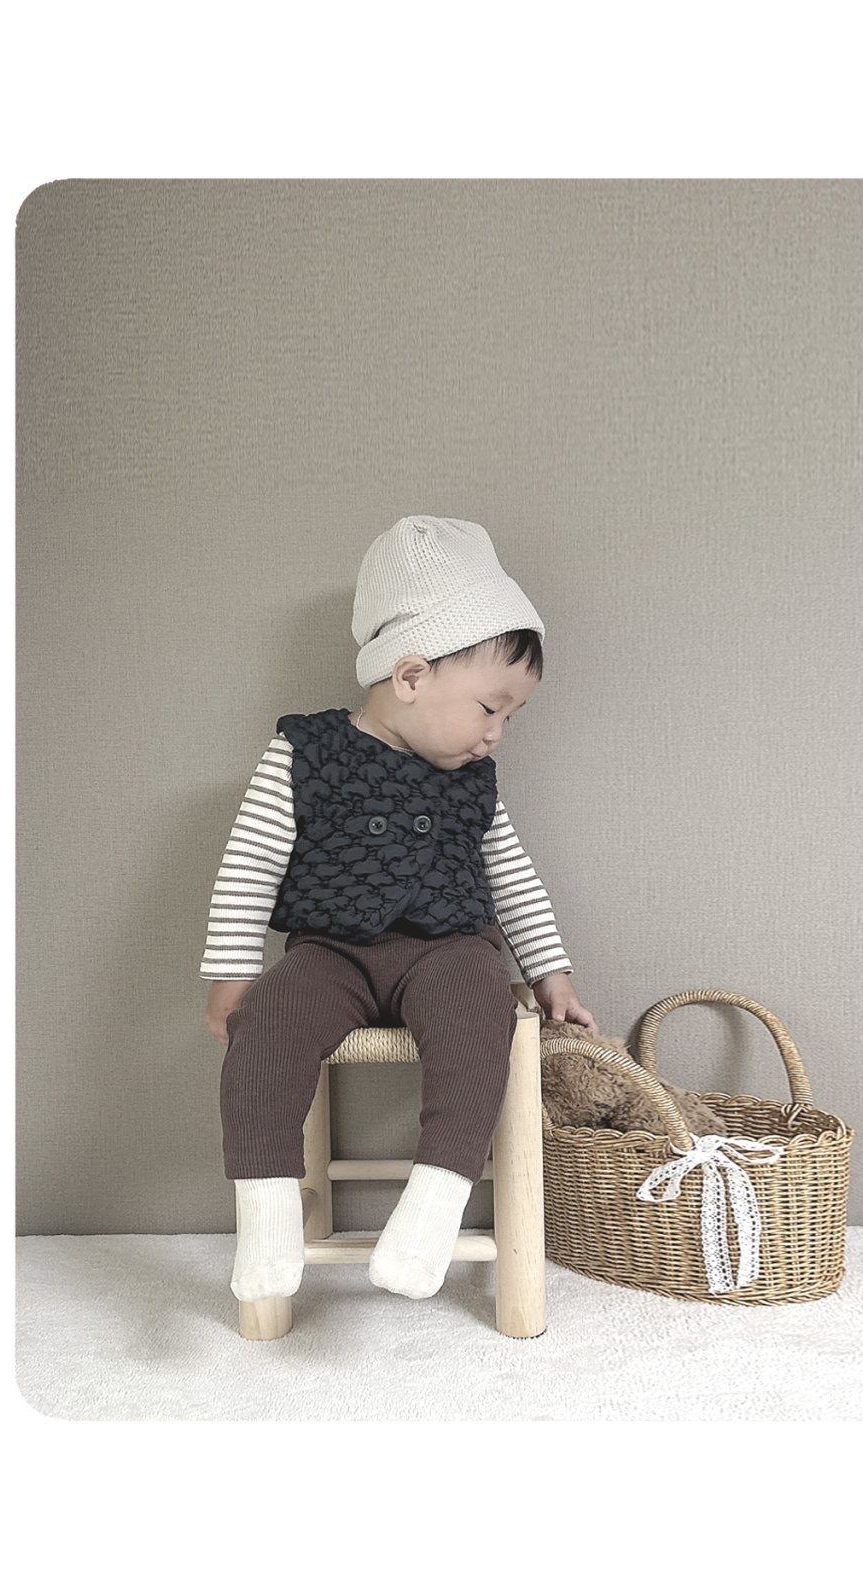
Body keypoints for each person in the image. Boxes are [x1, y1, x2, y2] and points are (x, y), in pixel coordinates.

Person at [201, 514, 597, 1305]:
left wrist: (551, 972)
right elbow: (250, 862)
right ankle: (267, 1213)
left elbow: (513, 877)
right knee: (266, 1026)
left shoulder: (472, 784)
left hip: (448, 951)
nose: (497, 734)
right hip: (329, 954)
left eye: (510, 717)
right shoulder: (307, 753)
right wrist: (232, 973)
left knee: (482, 1016)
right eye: (490, 707)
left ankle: (432, 1206)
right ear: (411, 674)